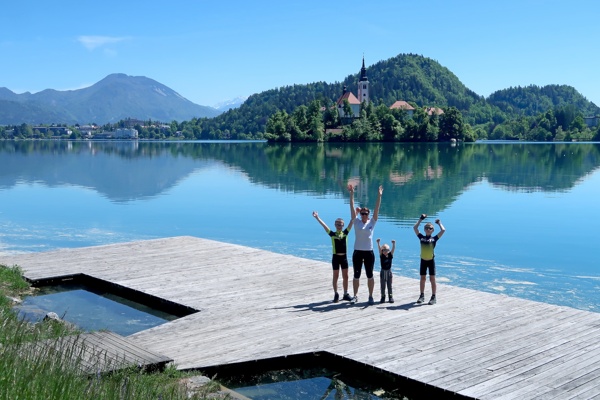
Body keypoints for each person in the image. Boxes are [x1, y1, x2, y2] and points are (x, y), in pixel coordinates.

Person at [347, 183, 383, 305]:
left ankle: (370, 296)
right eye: (362, 213)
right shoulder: (356, 222)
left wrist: (379, 196)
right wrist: (352, 194)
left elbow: (377, 208)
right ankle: (355, 296)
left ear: (368, 214)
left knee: (370, 275)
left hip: (369, 252)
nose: (364, 215)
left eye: (366, 213)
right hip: (358, 251)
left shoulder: (372, 222)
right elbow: (351, 207)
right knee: (356, 275)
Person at [312, 211, 354, 302]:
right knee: (336, 276)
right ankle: (336, 293)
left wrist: (357, 213)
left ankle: (345, 293)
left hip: (344, 258)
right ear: (335, 225)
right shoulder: (332, 234)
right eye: (337, 224)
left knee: (346, 276)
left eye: (341, 224)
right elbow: (324, 226)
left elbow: (352, 221)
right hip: (335, 257)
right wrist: (317, 217)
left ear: (343, 225)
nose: (339, 226)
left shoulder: (345, 233)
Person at [413, 214, 446, 305]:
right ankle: (422, 295)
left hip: (431, 261)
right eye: (427, 228)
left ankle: (433, 296)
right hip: (423, 261)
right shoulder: (421, 238)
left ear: (432, 230)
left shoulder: (434, 239)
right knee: (422, 278)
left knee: (432, 279)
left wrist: (439, 223)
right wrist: (420, 219)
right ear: (424, 229)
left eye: (430, 228)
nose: (428, 229)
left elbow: (443, 230)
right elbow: (415, 228)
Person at [376, 238, 396, 303]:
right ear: (382, 250)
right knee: (382, 285)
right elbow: (379, 250)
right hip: (383, 271)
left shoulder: (390, 255)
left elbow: (393, 250)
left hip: (389, 272)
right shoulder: (382, 256)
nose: (385, 251)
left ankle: (390, 296)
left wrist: (393, 244)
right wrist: (378, 243)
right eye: (384, 250)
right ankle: (383, 297)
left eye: (387, 250)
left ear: (388, 250)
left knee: (389, 285)